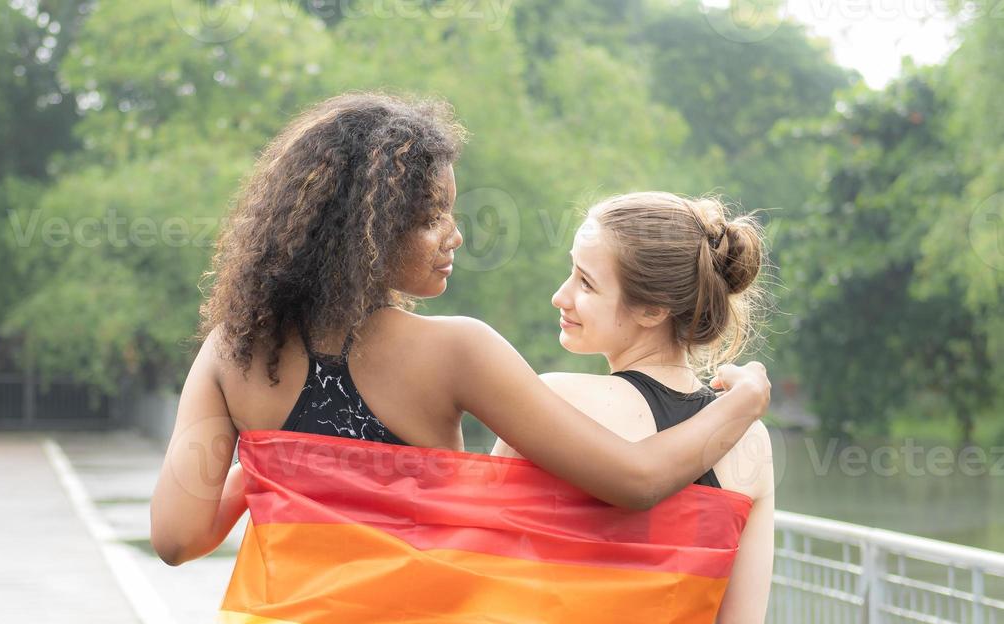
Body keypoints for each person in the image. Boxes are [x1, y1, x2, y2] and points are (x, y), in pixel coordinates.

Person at [150, 91, 770, 567]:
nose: (456, 234)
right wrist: (740, 403)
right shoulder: (455, 351)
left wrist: (278, 462)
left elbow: (178, 539)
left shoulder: (230, 352)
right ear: (363, 231)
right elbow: (636, 480)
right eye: (432, 216)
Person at [492, 190, 775, 624]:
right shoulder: (748, 437)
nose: (561, 295)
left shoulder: (549, 401)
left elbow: (487, 577)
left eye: (586, 283)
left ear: (652, 309)